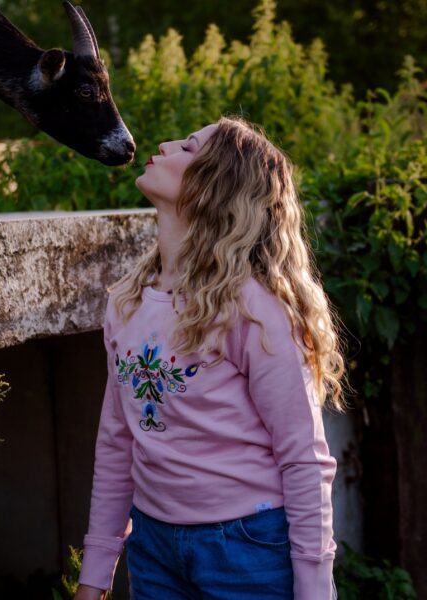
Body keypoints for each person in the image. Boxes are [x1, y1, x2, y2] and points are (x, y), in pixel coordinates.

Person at [74, 115, 345, 600]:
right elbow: (117, 443)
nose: (164, 144)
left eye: (188, 147)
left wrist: (314, 589)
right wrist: (95, 571)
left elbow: (304, 459)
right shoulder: (127, 303)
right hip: (153, 547)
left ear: (215, 187)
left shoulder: (254, 310)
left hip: (247, 548)